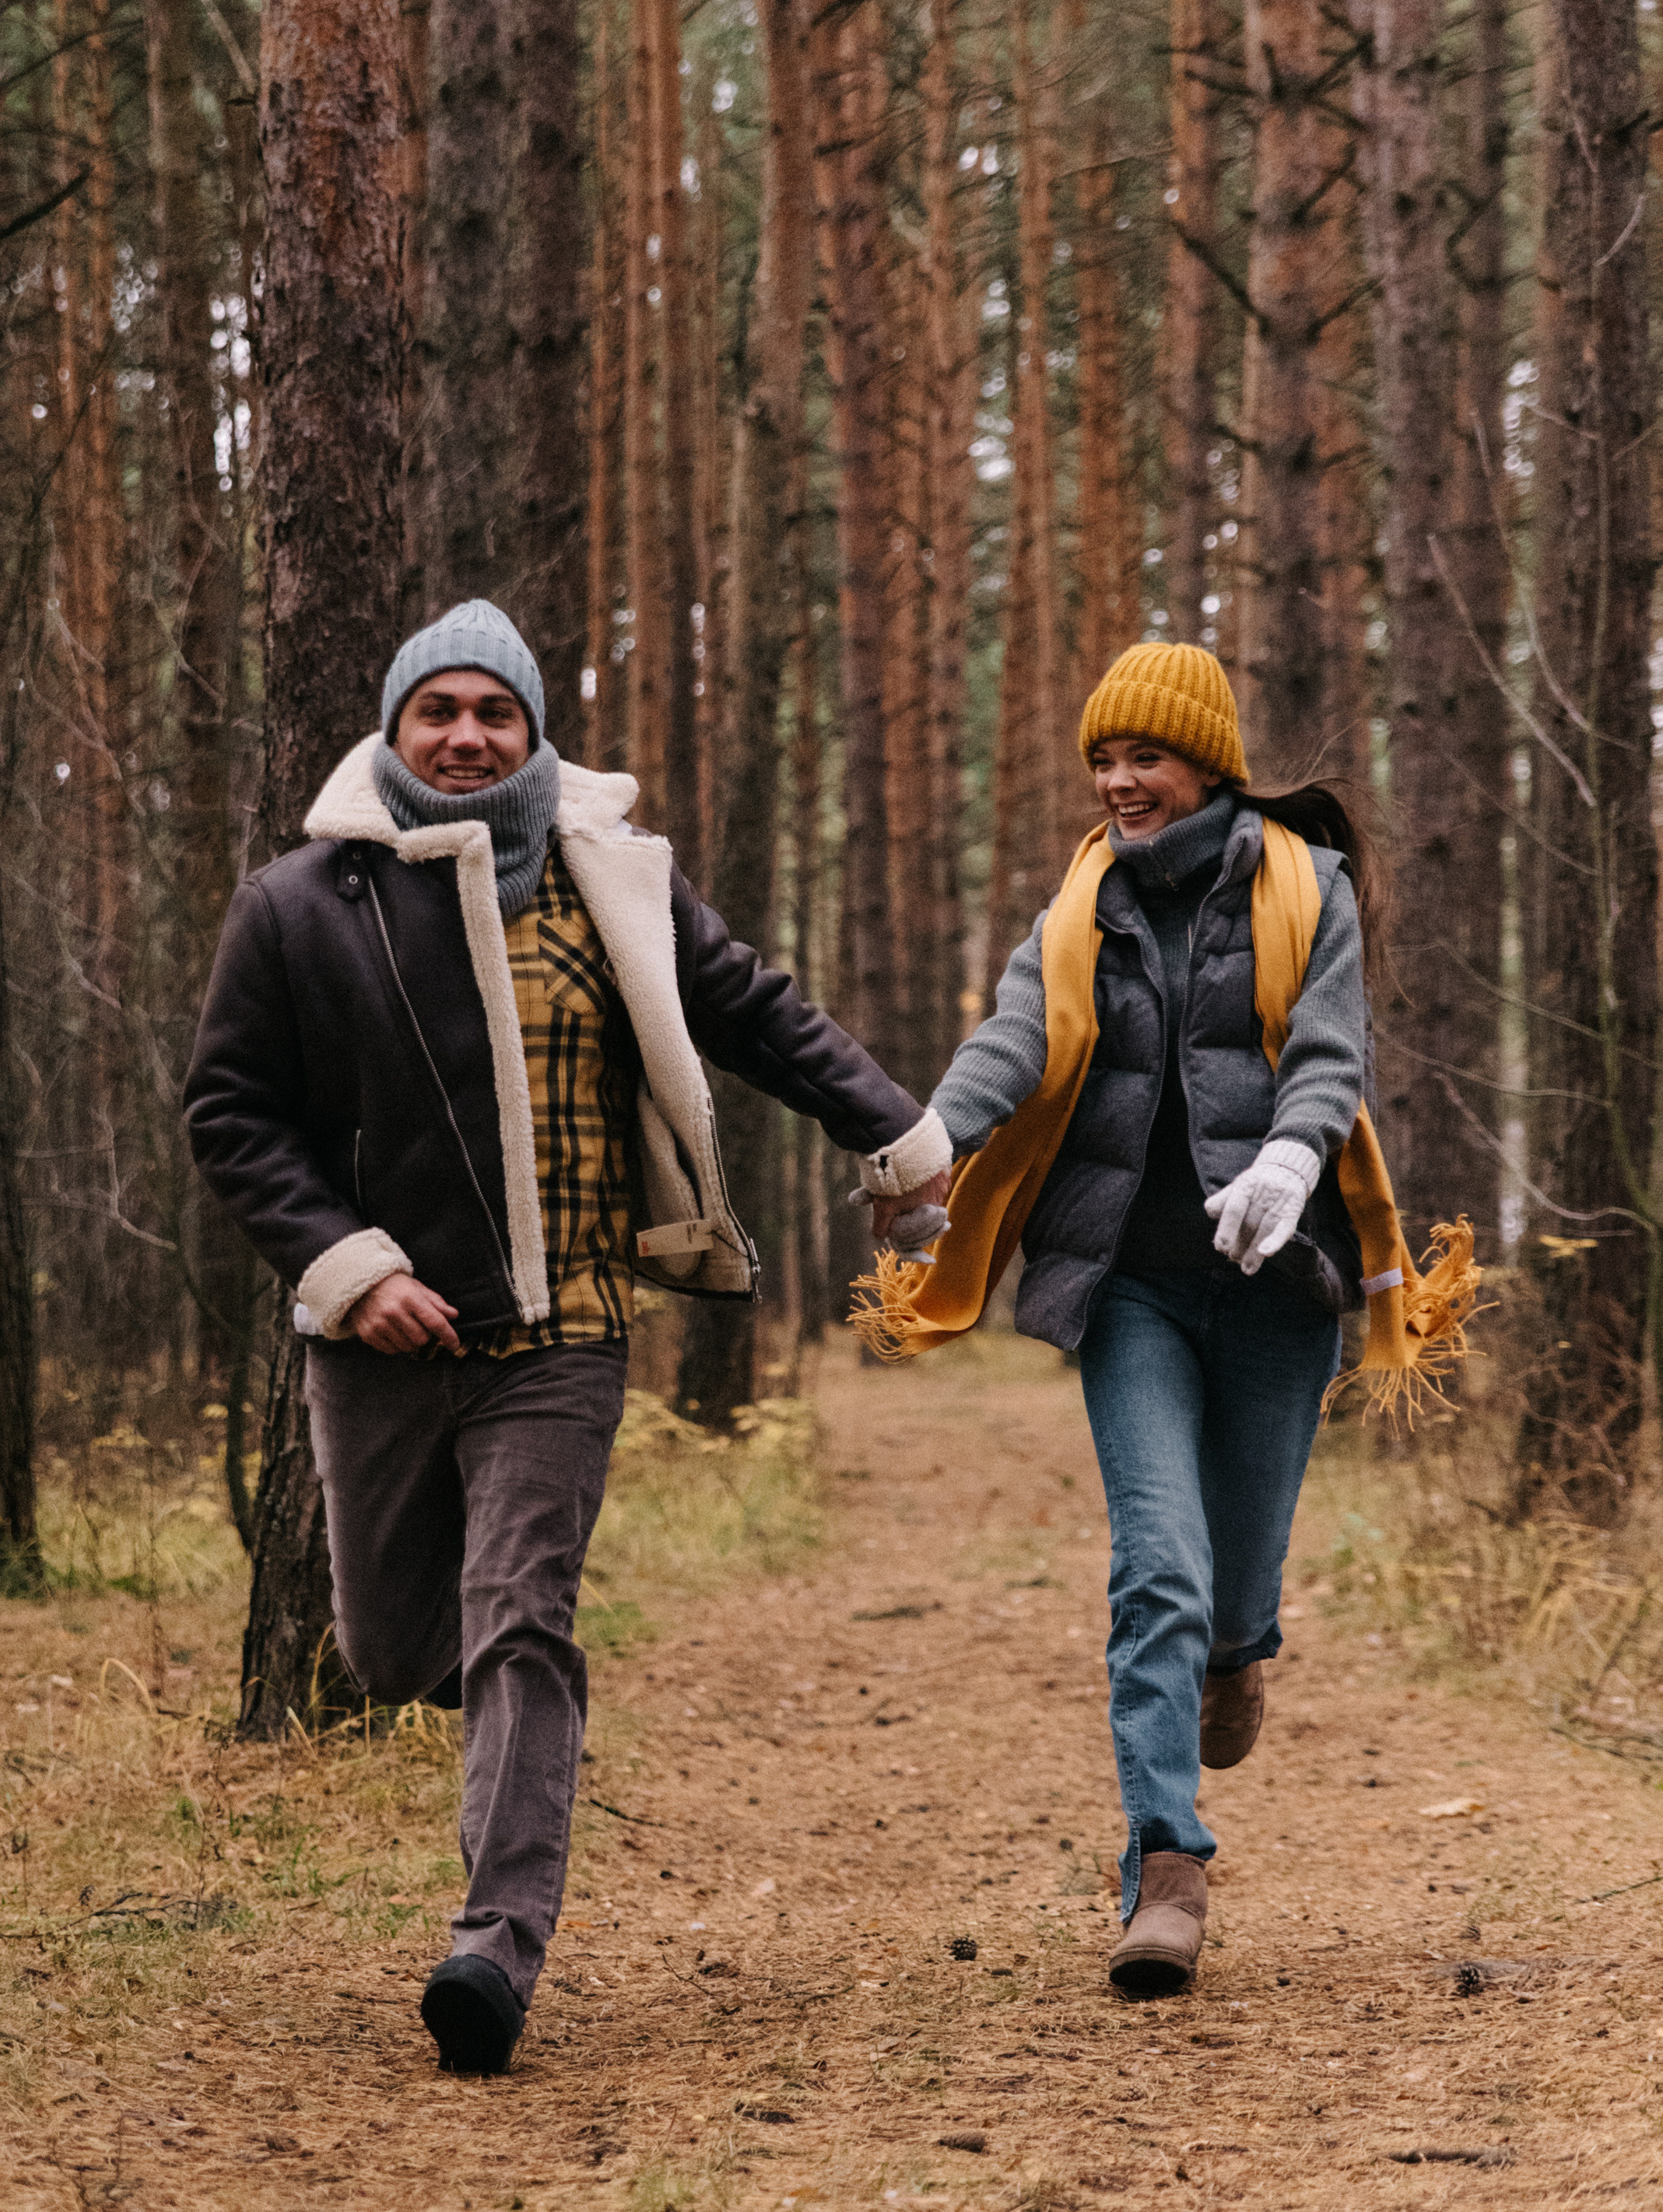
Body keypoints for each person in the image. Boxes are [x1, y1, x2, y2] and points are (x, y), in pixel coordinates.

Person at [184, 600, 950, 2076]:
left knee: (521, 1614)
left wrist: (904, 1145)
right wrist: (350, 1269)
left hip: (567, 1331)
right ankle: (485, 1834)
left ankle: (495, 1945)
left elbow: (763, 1017)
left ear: (533, 735)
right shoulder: (300, 904)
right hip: (384, 1336)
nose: (467, 736)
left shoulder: (614, 887)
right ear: (396, 732)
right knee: (397, 1642)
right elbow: (232, 1112)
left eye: (497, 714)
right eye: (440, 712)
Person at [862, 641, 1466, 2000]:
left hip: (1278, 1278)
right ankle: (1166, 1869)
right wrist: (931, 1137)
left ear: (1206, 763)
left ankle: (1241, 1652)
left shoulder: (1311, 888)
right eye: (1102, 759)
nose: (1118, 781)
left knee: (1233, 1589)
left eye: (1142, 756)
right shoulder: (1082, 907)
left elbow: (1331, 1052)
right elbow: (1014, 1038)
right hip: (1126, 1283)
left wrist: (1293, 1159)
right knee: (1159, 1570)